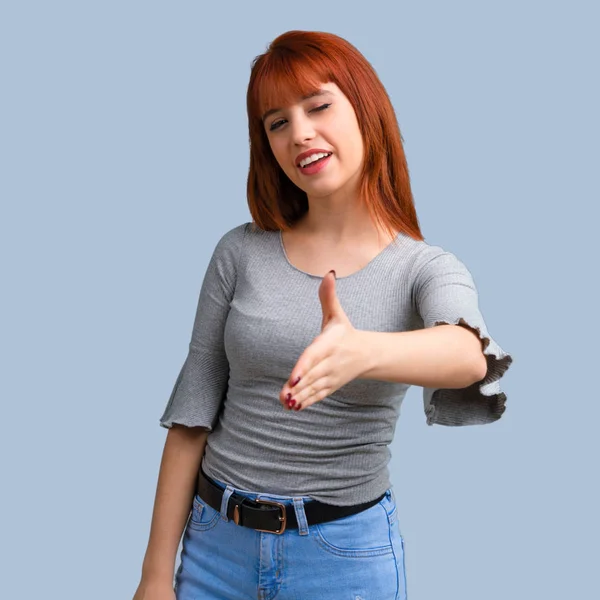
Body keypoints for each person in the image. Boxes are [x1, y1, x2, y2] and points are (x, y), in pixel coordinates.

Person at [132, 30, 513, 600]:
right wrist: (155, 578)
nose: (299, 133)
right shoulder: (239, 252)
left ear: (365, 108)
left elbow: (468, 354)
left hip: (344, 560)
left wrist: (365, 352)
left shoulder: (425, 268)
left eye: (318, 106)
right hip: (213, 549)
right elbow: (191, 418)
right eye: (276, 122)